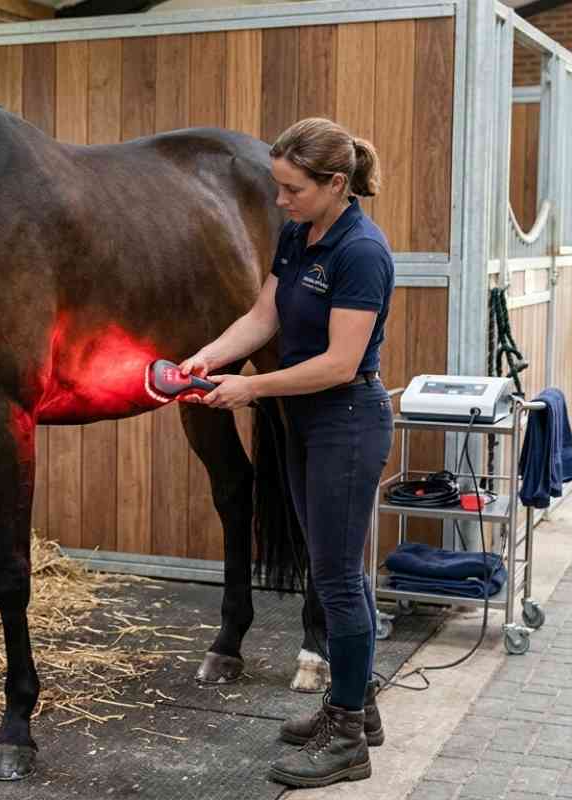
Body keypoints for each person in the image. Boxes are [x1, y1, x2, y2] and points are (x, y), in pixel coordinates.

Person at [179, 117, 394, 788]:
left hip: (345, 421)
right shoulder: (301, 235)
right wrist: (209, 356)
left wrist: (251, 387)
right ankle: (356, 706)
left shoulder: (362, 252)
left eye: (292, 189)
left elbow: (338, 363)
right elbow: (264, 316)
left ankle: (348, 739)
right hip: (304, 424)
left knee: (334, 580)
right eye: (276, 187)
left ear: (335, 184)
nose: (280, 201)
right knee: (338, 571)